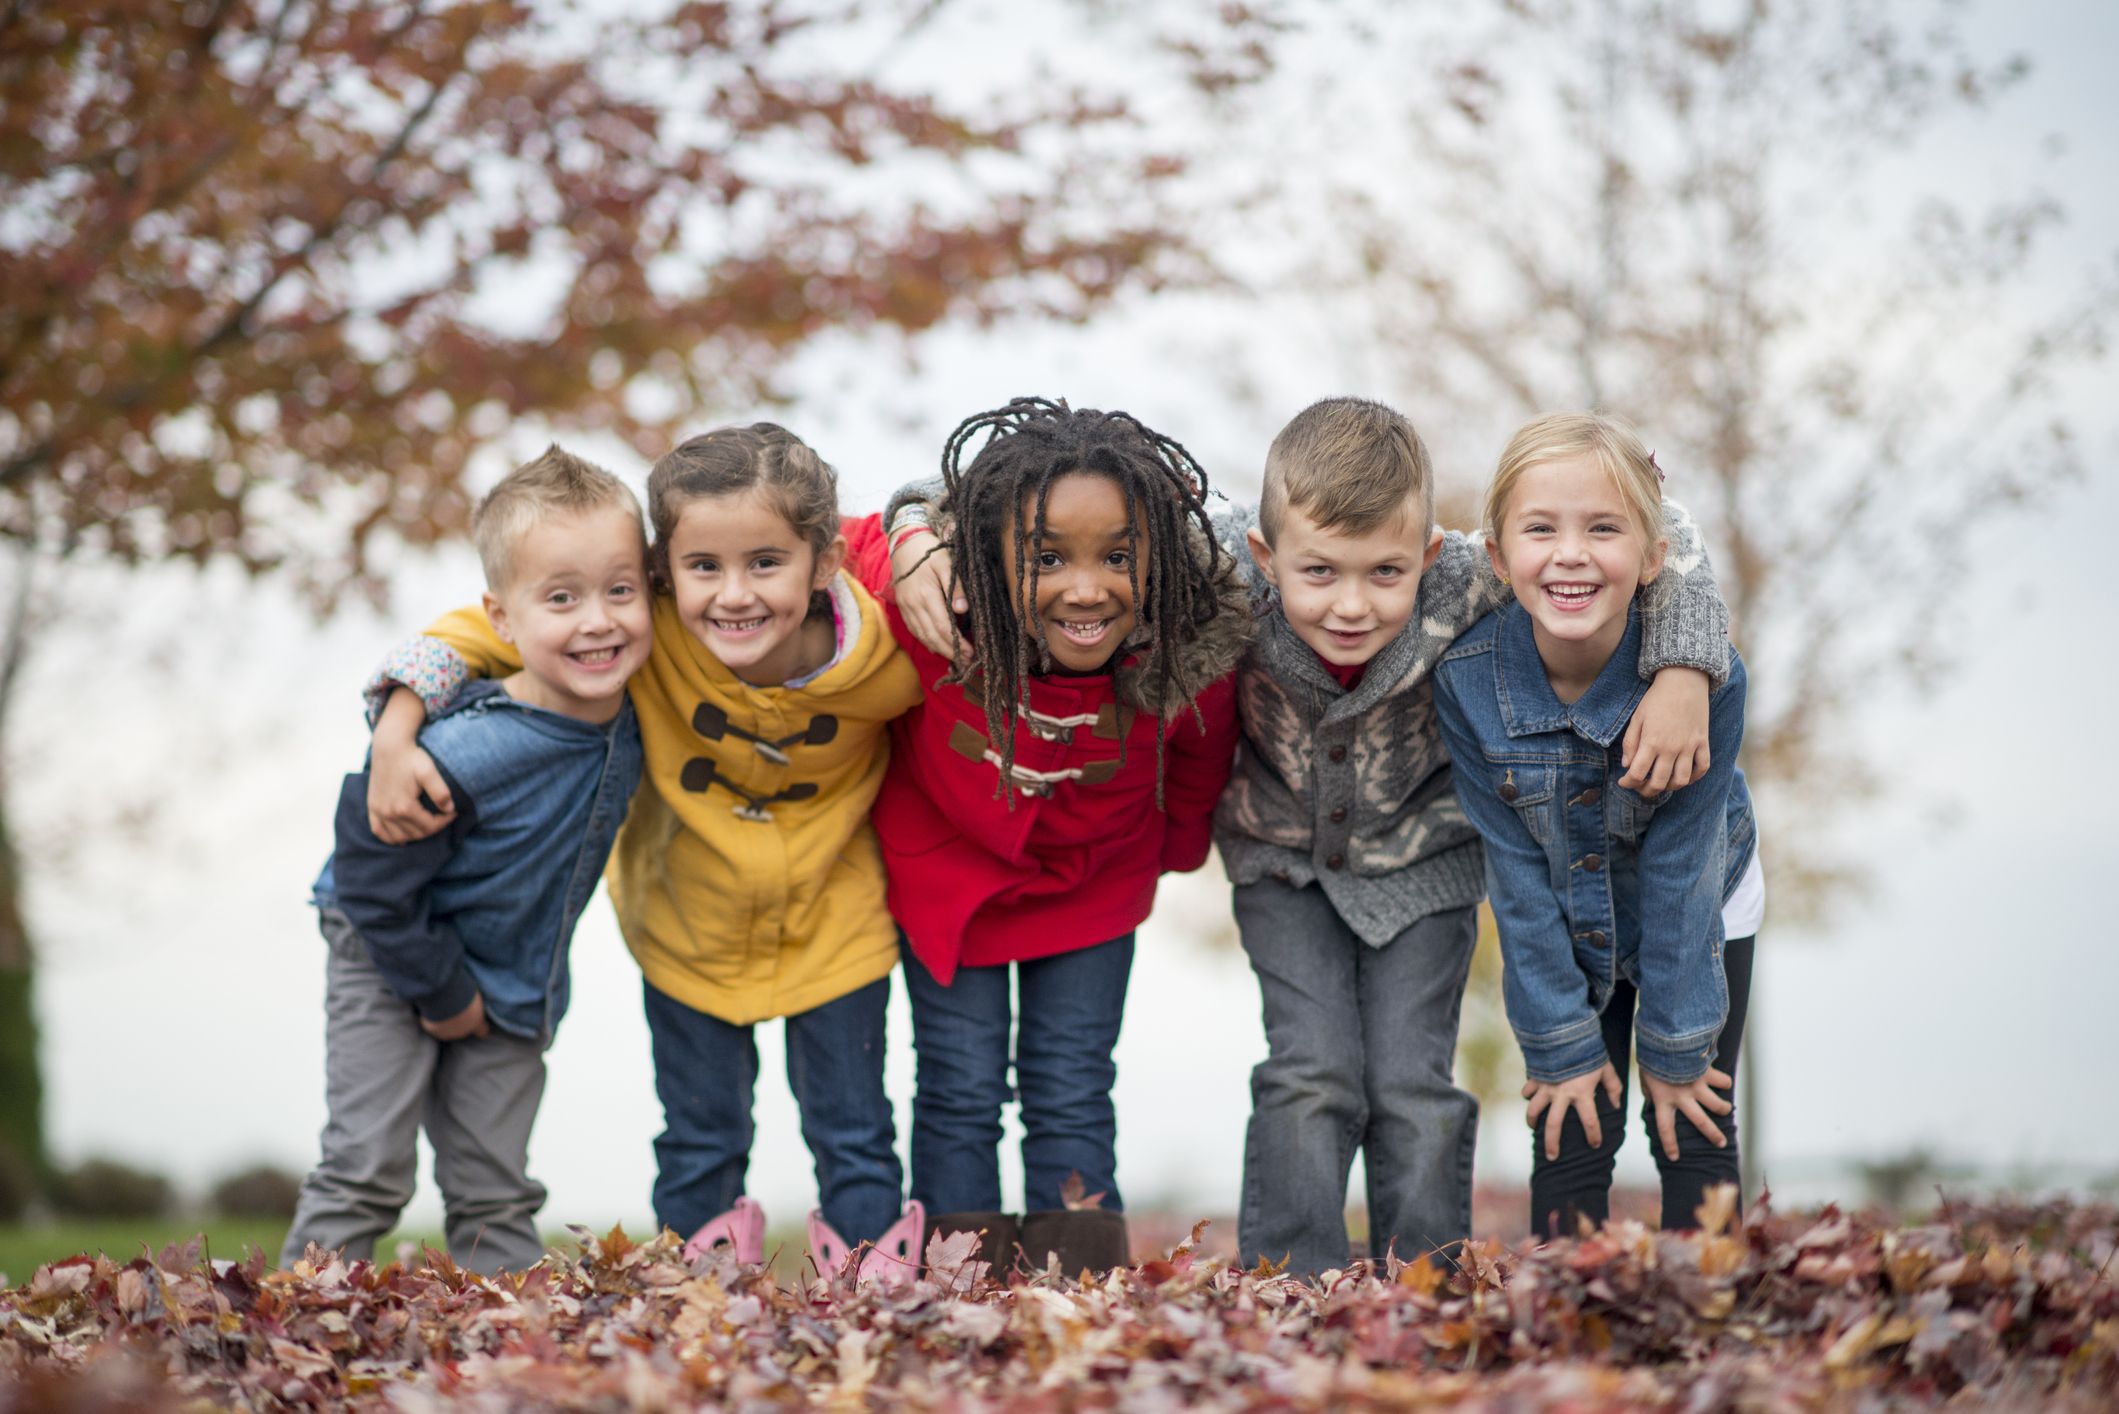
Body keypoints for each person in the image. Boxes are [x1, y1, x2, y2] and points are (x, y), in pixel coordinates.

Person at [363, 425, 926, 1283]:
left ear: (823, 565)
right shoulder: (638, 629)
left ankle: (876, 1296)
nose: (733, 596)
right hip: (685, 923)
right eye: (704, 568)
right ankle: (693, 1299)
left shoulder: (890, 660)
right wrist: (396, 729)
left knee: (853, 1131)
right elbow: (479, 630)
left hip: (835, 924)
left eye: (765, 564)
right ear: (667, 569)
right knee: (699, 1133)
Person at [1211, 398, 1731, 1273]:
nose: (1350, 604)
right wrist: (916, 538)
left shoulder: (1466, 575)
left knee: (1413, 1086)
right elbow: (1096, 496)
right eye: (1319, 573)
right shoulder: (1224, 560)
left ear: (1424, 555)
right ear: (1268, 559)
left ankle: (1427, 1276)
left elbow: (1656, 529)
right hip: (1281, 863)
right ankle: (1287, 1282)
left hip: (1430, 862)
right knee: (1311, 1073)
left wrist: (1683, 665)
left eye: (1384, 573)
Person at [871, 397, 1248, 1274]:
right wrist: (910, 539)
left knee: (1071, 1087)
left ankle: (1080, 1286)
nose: (1086, 588)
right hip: (947, 882)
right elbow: (855, 538)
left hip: (1096, 884)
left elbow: (1200, 749)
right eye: (1046, 559)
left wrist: (1177, 851)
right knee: (958, 1090)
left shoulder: (1189, 639)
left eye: (1118, 557)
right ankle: (958, 1288)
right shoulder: (937, 609)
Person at [282, 447, 652, 1274]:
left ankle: (510, 1343)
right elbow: (370, 875)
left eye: (620, 590)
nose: (598, 620)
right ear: (503, 619)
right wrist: (442, 992)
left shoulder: (636, 698)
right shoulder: (466, 750)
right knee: (366, 1168)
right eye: (562, 598)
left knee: (494, 1180)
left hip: (515, 971)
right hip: (390, 954)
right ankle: (292, 1328)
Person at [1431, 411, 1763, 1238]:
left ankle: (1708, 1319)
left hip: (1702, 905)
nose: (1571, 552)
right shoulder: (1466, 682)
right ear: (1500, 559)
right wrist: (1557, 1041)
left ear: (1652, 558)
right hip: (1557, 904)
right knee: (1570, 1122)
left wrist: (1678, 1045)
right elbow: (1510, 871)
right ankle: (1567, 1325)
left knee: (1691, 1120)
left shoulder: (1705, 680)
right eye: (1541, 528)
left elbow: (1682, 863)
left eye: (1603, 528)